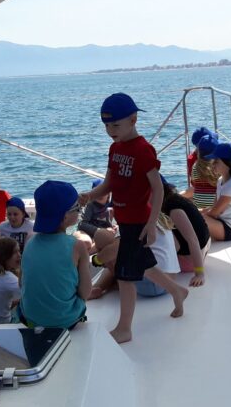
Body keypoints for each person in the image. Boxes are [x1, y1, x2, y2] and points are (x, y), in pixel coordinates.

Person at [78, 93, 188, 344]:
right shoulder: (115, 149)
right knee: (145, 266)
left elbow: (158, 188)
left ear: (133, 119)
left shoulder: (143, 150)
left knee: (125, 276)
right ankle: (177, 291)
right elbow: (109, 184)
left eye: (115, 125)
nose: (110, 130)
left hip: (138, 222)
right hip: (124, 220)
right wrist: (90, 195)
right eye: (106, 125)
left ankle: (124, 328)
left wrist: (151, 224)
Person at [17, 181, 91, 330]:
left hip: (31, 319)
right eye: (77, 207)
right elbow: (85, 292)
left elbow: (21, 283)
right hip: (65, 322)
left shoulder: (29, 240)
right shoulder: (77, 246)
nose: (79, 210)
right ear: (64, 217)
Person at [161, 177, 210, 286]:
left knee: (158, 232)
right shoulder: (176, 199)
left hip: (190, 261)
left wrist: (199, 274)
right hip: (204, 249)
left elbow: (193, 241)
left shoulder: (174, 210)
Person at [201, 141, 231, 242]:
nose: (213, 164)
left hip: (230, 230)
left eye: (216, 161)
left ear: (227, 164)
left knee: (198, 219)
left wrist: (197, 215)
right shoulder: (220, 181)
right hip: (220, 223)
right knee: (193, 213)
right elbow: (214, 208)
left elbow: (214, 213)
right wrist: (198, 211)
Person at [76, 179, 116, 252]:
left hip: (102, 233)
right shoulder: (90, 205)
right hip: (88, 231)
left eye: (103, 192)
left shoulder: (111, 204)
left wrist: (115, 227)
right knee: (86, 242)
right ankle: (86, 254)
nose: (100, 195)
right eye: (97, 192)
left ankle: (89, 253)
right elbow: (82, 224)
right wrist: (99, 230)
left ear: (109, 193)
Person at [185, 133, 220, 210]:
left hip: (199, 206)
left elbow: (194, 185)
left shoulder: (195, 167)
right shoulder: (218, 167)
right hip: (215, 206)